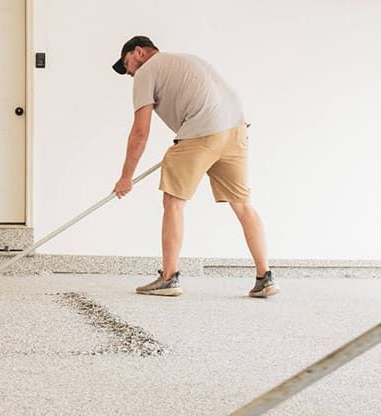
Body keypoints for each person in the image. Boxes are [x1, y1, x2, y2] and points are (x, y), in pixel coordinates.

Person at [111, 36, 279, 298]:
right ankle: (264, 277)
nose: (129, 73)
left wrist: (126, 177)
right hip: (236, 130)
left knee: (174, 202)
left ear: (140, 52)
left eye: (127, 64)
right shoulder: (188, 59)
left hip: (201, 134)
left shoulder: (146, 71)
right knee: (243, 204)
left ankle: (169, 278)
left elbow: (140, 132)